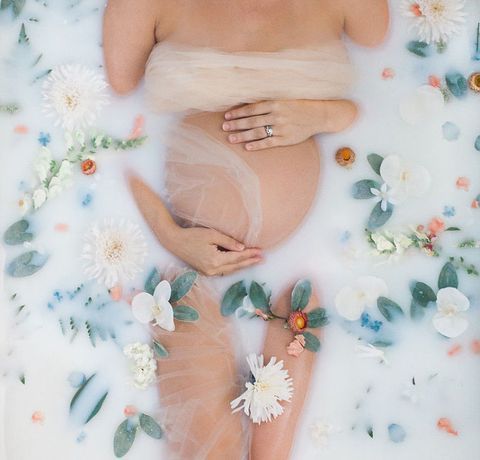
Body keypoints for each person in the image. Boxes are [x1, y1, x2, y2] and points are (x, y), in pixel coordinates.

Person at [103, 1, 389, 458]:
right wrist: (168, 232)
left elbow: (386, 89)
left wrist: (323, 115)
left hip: (317, 261)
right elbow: (99, 142)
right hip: (182, 263)